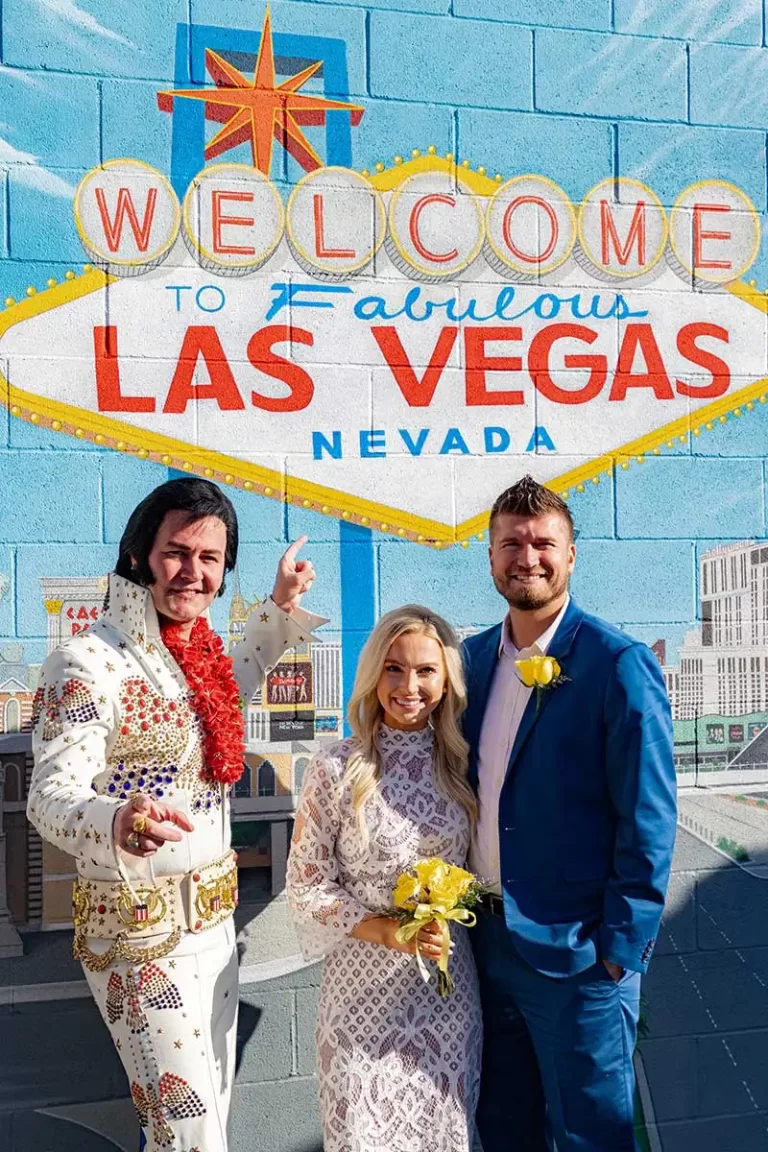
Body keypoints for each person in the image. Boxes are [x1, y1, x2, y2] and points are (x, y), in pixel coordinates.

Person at [27, 478, 326, 1152]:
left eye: (211, 559)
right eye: (178, 552)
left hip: (215, 931)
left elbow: (233, 681)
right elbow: (48, 796)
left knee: (200, 1127)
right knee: (190, 1138)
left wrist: (280, 606)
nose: (193, 573)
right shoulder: (86, 663)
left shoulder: (197, 654)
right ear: (139, 554)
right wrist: (114, 820)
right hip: (139, 939)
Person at [463, 475, 677, 1152]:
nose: (527, 556)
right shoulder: (467, 661)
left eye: (542, 543)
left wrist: (618, 953)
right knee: (506, 1133)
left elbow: (649, 819)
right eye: (511, 543)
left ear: (573, 555)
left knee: (593, 1141)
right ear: (490, 557)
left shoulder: (617, 664)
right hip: (483, 949)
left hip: (581, 960)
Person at [286, 606, 482, 1152]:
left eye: (426, 671)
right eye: (394, 669)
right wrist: (388, 932)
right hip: (359, 1004)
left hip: (446, 1001)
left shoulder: (465, 769)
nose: (409, 686)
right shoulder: (334, 768)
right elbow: (306, 890)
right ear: (374, 675)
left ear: (446, 684)